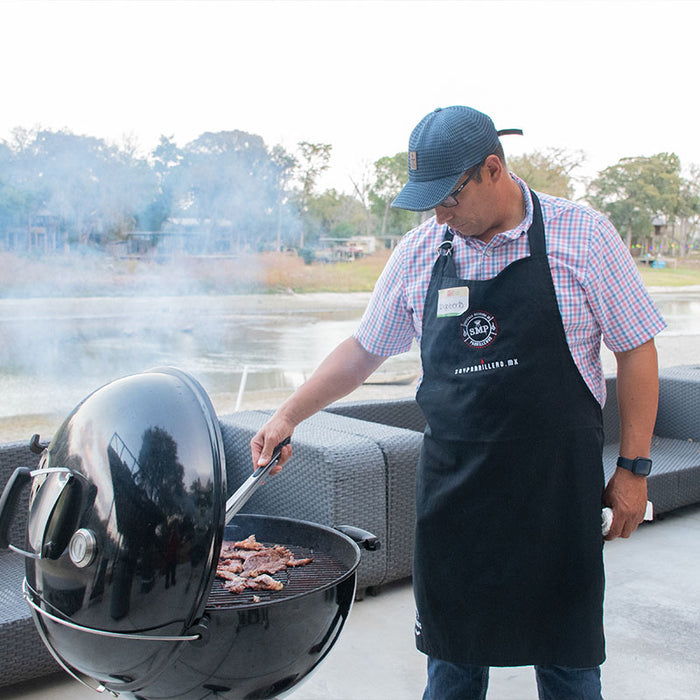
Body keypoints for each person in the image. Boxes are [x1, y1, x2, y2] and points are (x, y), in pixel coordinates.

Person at [251, 105, 666, 699]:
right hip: (457, 504)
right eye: (429, 203)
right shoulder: (423, 252)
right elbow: (364, 349)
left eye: (448, 198)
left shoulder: (583, 235)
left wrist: (633, 468)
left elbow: (637, 347)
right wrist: (288, 415)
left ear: (492, 169)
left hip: (556, 499)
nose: (439, 214)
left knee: (570, 671)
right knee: (451, 673)